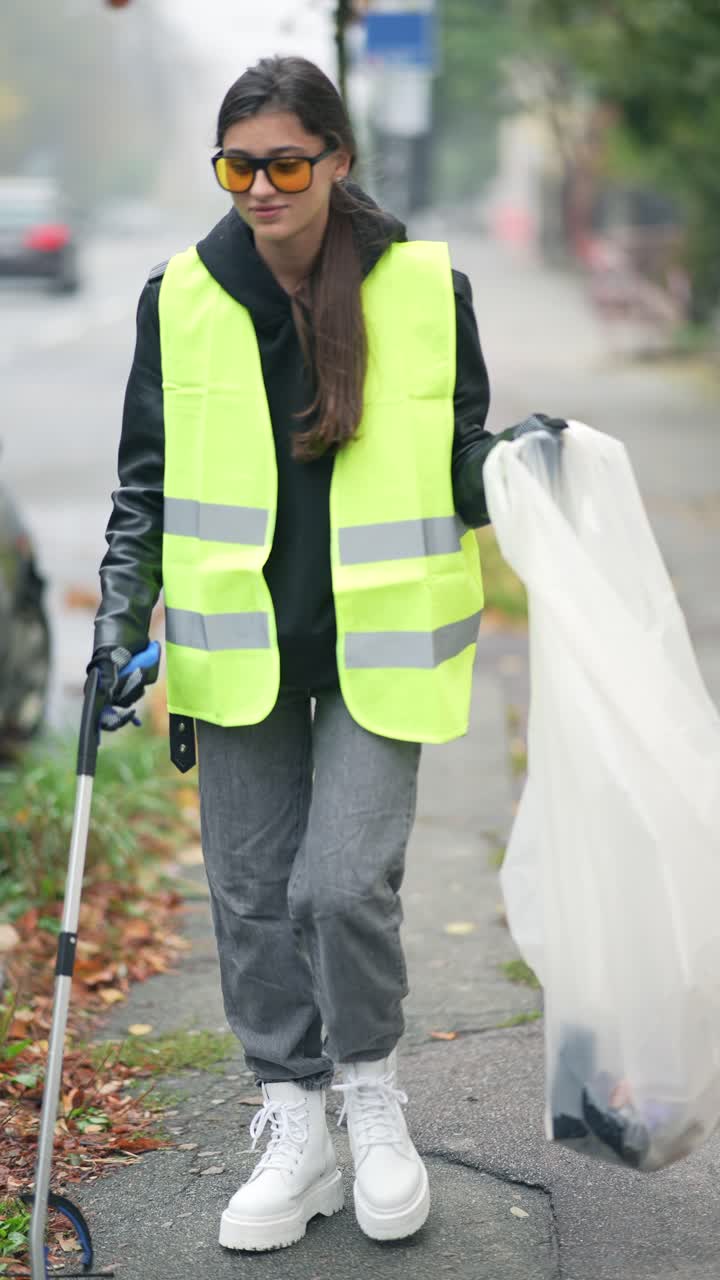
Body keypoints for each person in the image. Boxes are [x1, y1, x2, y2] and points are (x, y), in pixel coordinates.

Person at [87, 55, 565, 1254]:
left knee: (340, 884)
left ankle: (371, 1094)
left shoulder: (418, 287)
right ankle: (294, 1118)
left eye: (286, 162)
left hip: (377, 643)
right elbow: (142, 486)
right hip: (233, 644)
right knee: (251, 899)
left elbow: (456, 460)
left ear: (339, 159)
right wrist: (115, 622)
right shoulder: (180, 295)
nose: (260, 187)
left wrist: (516, 462)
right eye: (238, 165)